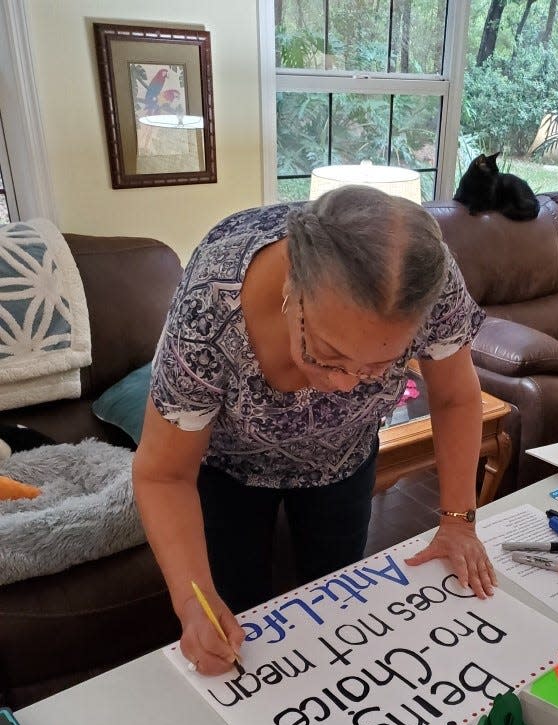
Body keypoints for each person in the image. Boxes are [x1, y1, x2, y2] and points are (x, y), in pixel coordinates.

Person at [133, 186, 498, 678]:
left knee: (336, 612)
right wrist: (192, 602)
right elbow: (162, 474)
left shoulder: (428, 281)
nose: (344, 385)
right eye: (328, 355)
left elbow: (454, 396)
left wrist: (457, 519)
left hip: (343, 460)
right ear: (291, 292)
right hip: (228, 469)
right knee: (235, 616)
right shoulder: (209, 302)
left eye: (380, 366)